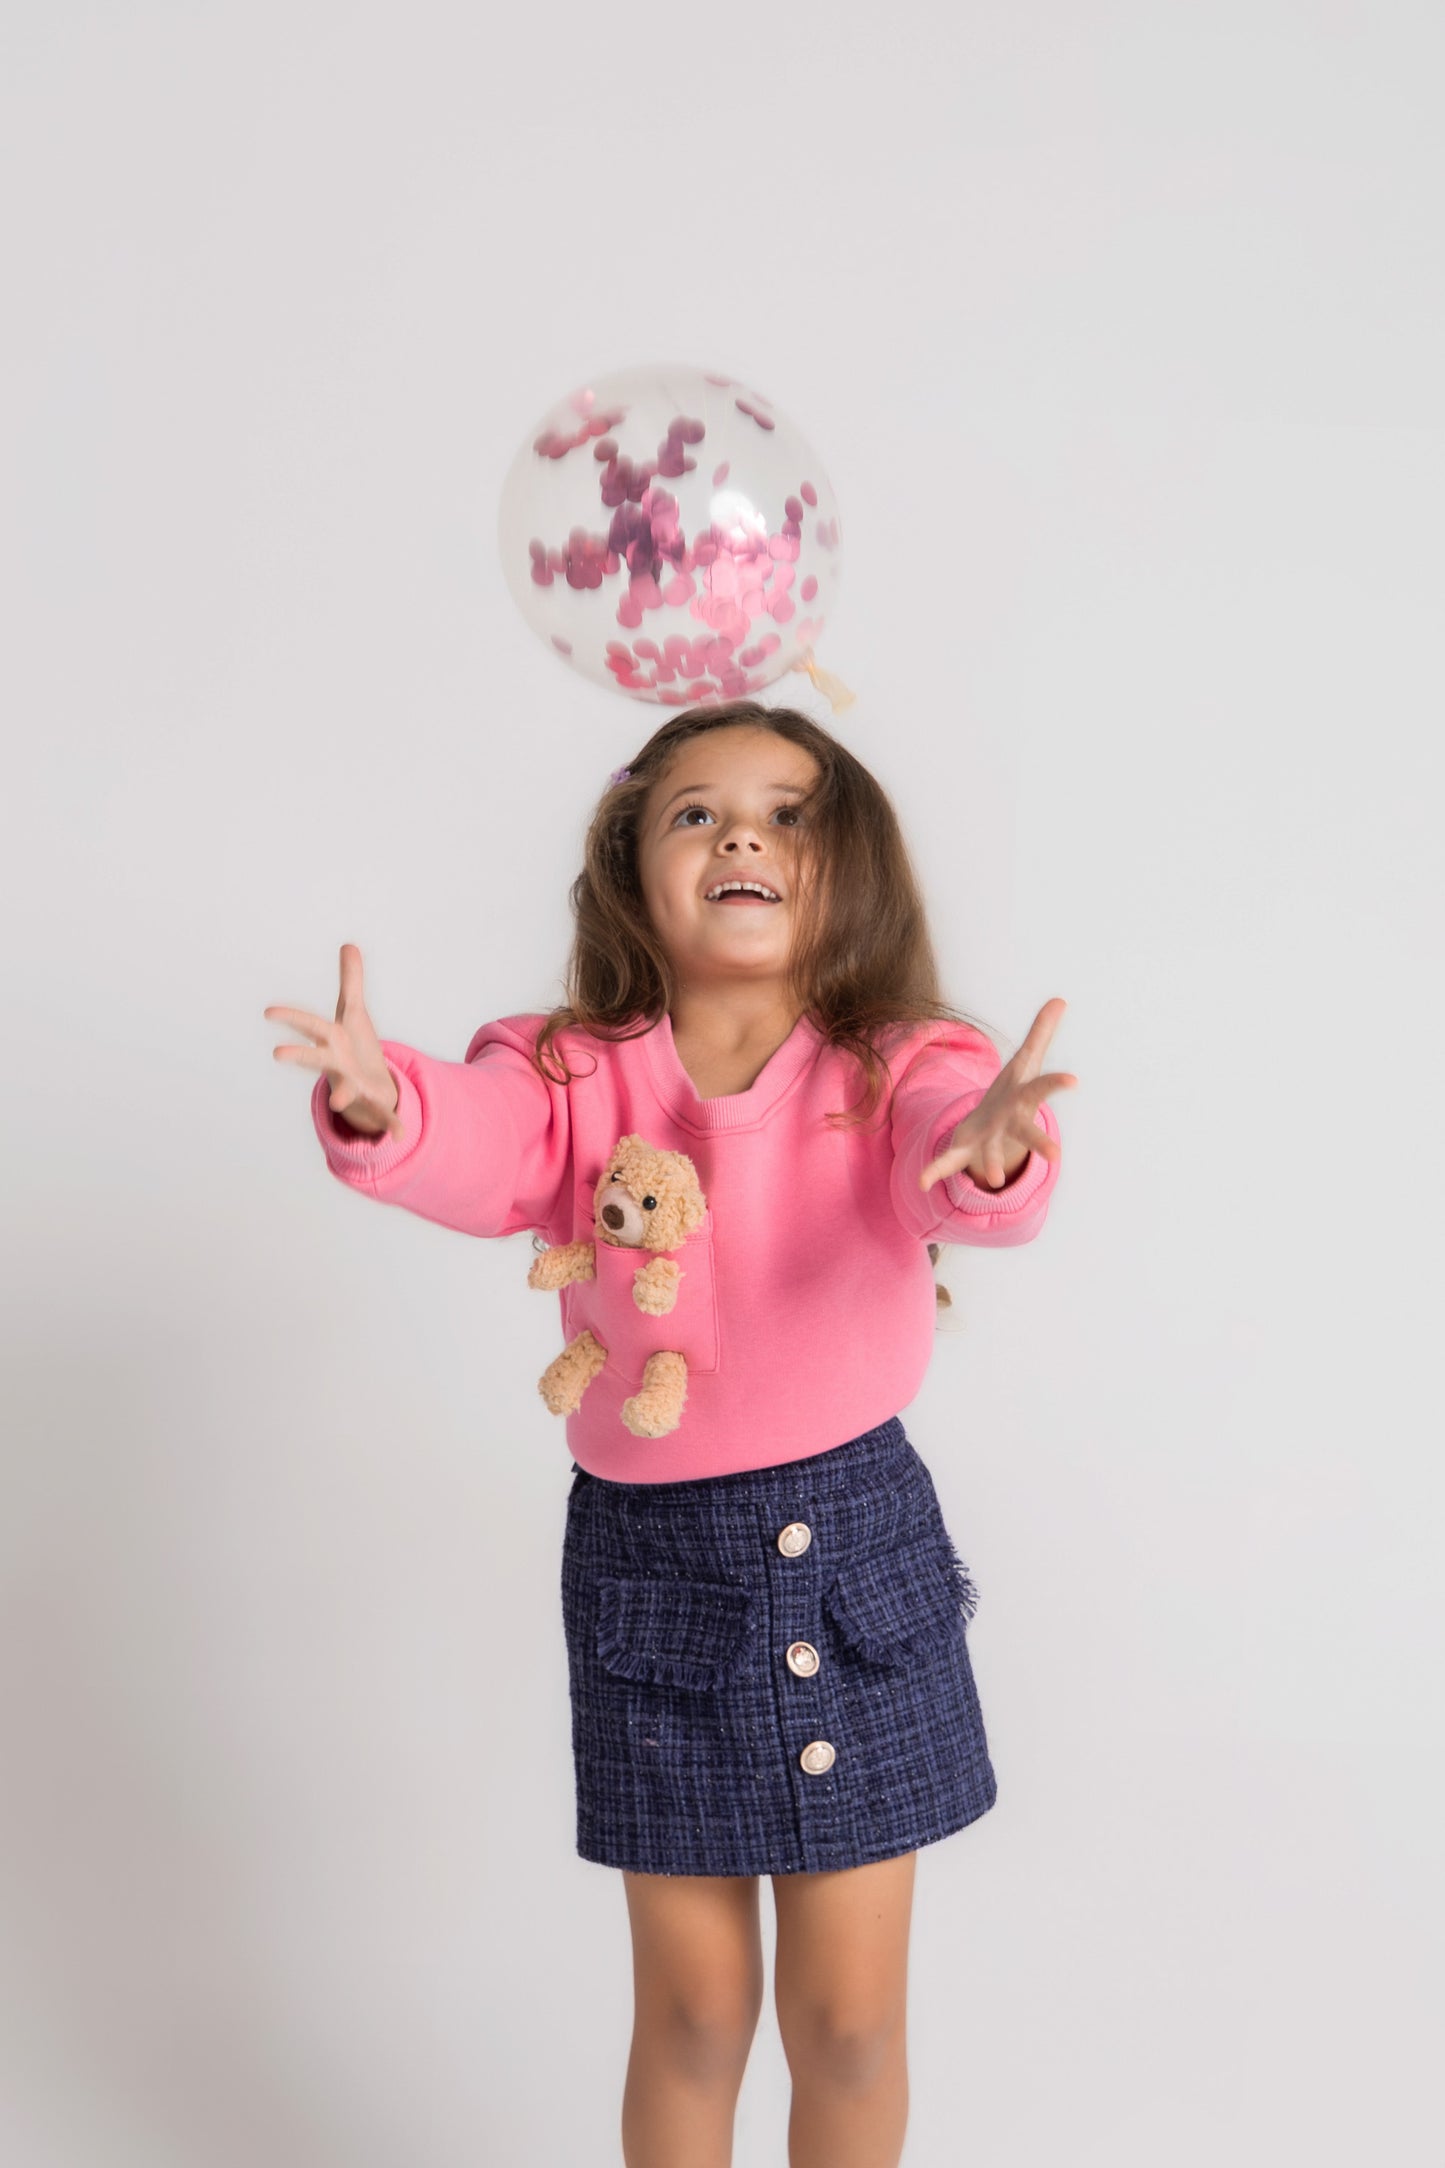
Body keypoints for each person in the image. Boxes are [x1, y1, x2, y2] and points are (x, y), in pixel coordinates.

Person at [263, 696, 1077, 2168]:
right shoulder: (570, 1067)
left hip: (858, 1545)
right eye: (696, 811)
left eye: (787, 809)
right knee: (696, 2014)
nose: (742, 832)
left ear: (851, 870)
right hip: (655, 1571)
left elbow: (957, 1148)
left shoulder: (900, 1058)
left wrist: (995, 1153)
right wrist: (389, 1106)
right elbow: (486, 1139)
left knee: (845, 2022)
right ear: (629, 863)